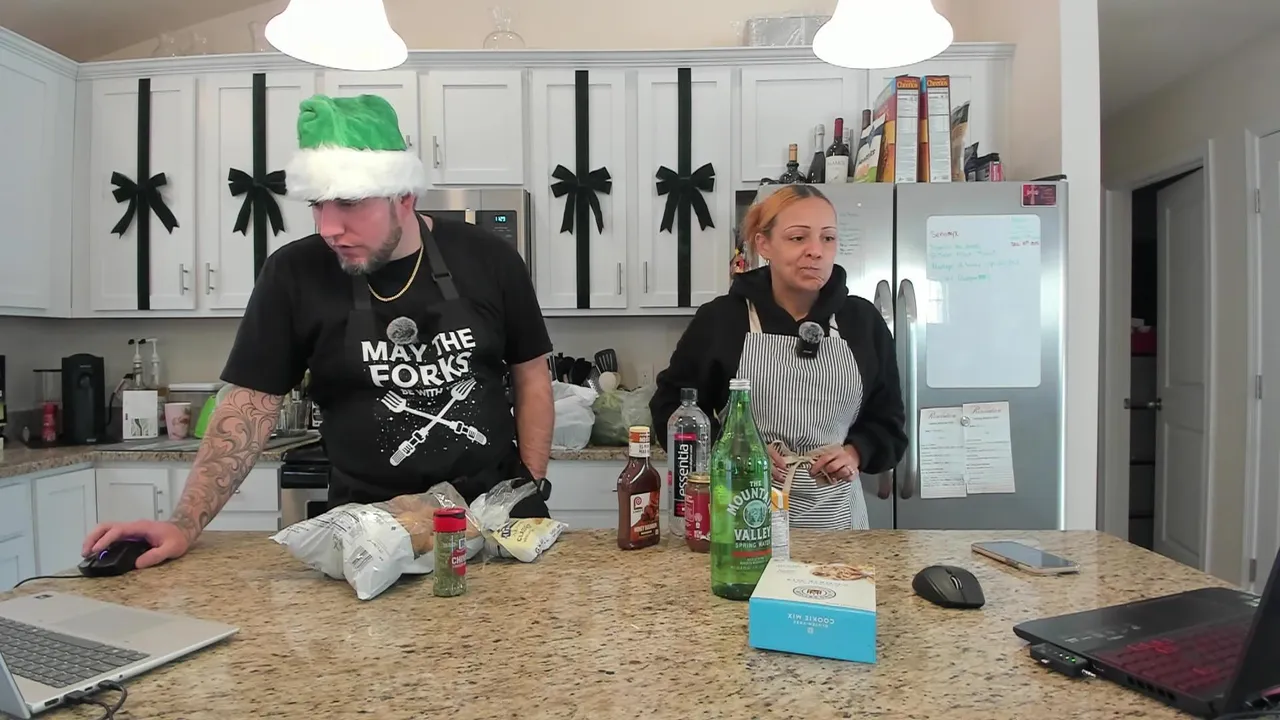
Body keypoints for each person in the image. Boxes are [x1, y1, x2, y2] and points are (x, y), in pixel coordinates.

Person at [83, 94, 556, 568]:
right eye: (317, 204)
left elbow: (532, 377)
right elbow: (250, 405)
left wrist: (528, 487)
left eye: (349, 203)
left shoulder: (490, 259)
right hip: (367, 534)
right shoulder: (293, 275)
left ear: (404, 197)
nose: (329, 228)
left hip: (493, 520)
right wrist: (184, 524)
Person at [650, 184, 907, 530]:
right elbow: (670, 407)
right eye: (798, 238)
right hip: (740, 521)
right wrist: (733, 451)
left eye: (828, 238)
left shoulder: (862, 323)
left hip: (838, 528)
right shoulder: (722, 320)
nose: (816, 251)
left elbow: (888, 423)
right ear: (764, 244)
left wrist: (856, 452)